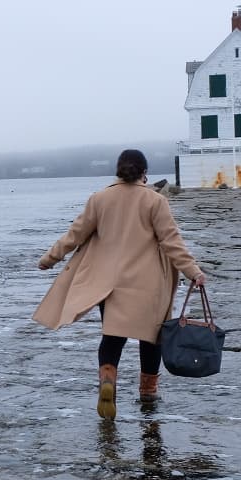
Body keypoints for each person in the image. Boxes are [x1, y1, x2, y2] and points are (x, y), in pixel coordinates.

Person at [33, 149, 205, 420]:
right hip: (148, 284)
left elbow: (75, 234)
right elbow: (172, 242)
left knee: (113, 337)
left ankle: (107, 381)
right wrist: (193, 272)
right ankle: (148, 393)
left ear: (118, 170)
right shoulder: (155, 201)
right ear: (144, 172)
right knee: (151, 339)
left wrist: (49, 258)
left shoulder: (99, 199)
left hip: (108, 283)